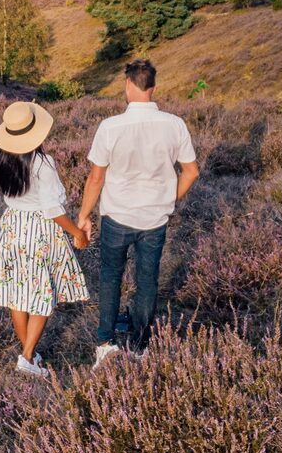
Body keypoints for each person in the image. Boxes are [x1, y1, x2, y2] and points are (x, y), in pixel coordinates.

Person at [77, 59, 199, 366]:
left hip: (117, 216)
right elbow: (191, 172)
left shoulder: (111, 127)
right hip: (155, 219)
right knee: (147, 281)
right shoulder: (175, 125)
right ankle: (142, 346)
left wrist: (84, 216)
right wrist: (168, 200)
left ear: (128, 86)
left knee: (110, 277)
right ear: (154, 88)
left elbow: (96, 177)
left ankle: (106, 342)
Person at [0, 100, 90, 378]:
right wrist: (77, 232)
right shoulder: (43, 163)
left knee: (18, 294)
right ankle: (28, 356)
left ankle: (28, 353)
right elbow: (53, 210)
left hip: (11, 227)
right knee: (44, 294)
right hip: (39, 231)